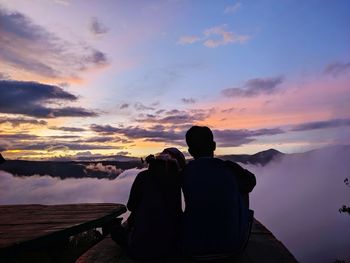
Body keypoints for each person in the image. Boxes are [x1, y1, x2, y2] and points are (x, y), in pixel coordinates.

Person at [181, 126, 256, 260]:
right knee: (243, 188)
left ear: (190, 151)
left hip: (192, 247)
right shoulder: (229, 168)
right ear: (214, 146)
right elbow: (251, 182)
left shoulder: (185, 172)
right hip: (232, 247)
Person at [112, 147, 185, 260]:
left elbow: (131, 206)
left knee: (116, 231)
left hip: (140, 248)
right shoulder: (178, 178)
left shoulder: (143, 176)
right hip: (172, 247)